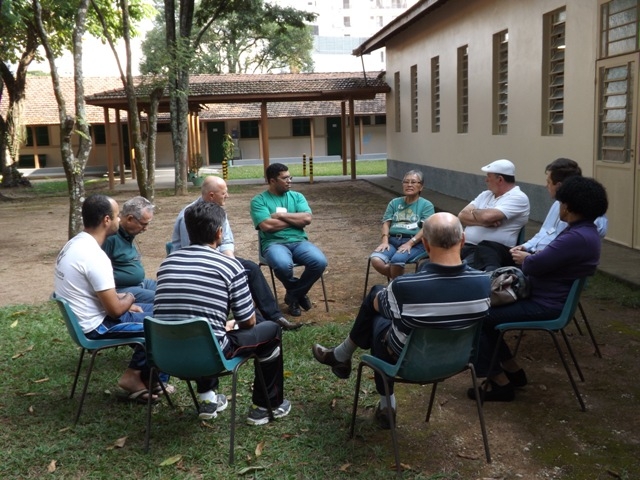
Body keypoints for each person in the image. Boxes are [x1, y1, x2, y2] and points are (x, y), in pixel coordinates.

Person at [312, 212, 491, 429]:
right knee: (384, 303)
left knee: (376, 305)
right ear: (462, 240)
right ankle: (341, 356)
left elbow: (378, 306)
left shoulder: (406, 286)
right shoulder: (484, 282)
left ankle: (382, 399)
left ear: (425, 245)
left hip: (408, 362)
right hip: (457, 361)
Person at [468, 176, 608, 402]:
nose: (559, 208)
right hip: (547, 298)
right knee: (487, 316)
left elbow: (534, 266)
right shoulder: (584, 232)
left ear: (569, 207)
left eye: (561, 203)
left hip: (545, 304)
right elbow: (548, 259)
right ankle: (512, 371)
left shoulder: (575, 237)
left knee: (479, 315)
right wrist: (532, 257)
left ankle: (500, 382)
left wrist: (527, 258)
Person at [155, 201, 291, 425]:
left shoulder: (167, 264)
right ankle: (267, 406)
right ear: (220, 232)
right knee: (271, 330)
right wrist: (232, 324)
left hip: (165, 356)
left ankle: (207, 398)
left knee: (201, 329)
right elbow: (248, 322)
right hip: (210, 356)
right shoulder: (230, 266)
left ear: (188, 230)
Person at [54, 194, 156, 403]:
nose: (120, 220)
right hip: (98, 326)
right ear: (106, 220)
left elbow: (95, 293)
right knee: (163, 323)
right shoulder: (94, 255)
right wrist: (129, 297)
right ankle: (135, 377)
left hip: (89, 317)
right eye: (117, 216)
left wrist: (125, 302)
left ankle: (150, 379)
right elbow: (115, 311)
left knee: (161, 311)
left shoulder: (73, 244)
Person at [172, 176, 301, 330]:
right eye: (224, 193)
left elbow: (226, 240)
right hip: (194, 263)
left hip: (217, 256)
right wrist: (227, 267)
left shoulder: (218, 211)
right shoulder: (190, 216)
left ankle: (275, 317)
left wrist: (231, 262)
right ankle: (254, 319)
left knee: (251, 268)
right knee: (232, 277)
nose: (228, 196)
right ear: (212, 195)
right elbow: (192, 250)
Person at [250, 163, 328, 317]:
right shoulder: (259, 201)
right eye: (285, 178)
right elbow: (267, 226)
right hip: (273, 243)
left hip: (299, 242)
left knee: (319, 262)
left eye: (290, 177)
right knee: (282, 265)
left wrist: (280, 216)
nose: (289, 181)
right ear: (272, 181)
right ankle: (298, 295)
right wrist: (295, 221)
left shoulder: (297, 197)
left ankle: (293, 295)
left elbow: (307, 218)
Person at [510, 158, 608, 264]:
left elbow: (563, 254)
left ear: (560, 186)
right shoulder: (558, 204)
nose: (546, 186)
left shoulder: (586, 218)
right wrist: (526, 246)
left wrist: (529, 259)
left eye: (549, 182)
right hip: (538, 257)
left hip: (546, 262)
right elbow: (544, 232)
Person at [458, 159, 530, 271]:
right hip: (465, 246)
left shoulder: (518, 197)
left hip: (491, 252)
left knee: (457, 270)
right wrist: (483, 222)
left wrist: (475, 212)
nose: (486, 180)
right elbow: (462, 216)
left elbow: (487, 217)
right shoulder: (486, 194)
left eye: (489, 176)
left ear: (500, 179)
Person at [370, 170, 435, 279]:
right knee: (376, 259)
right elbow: (386, 223)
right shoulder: (394, 202)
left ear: (421, 187)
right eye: (406, 182)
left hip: (416, 243)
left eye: (413, 182)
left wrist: (410, 243)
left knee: (397, 260)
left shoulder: (426, 205)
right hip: (393, 241)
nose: (409, 185)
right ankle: (400, 282)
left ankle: (397, 284)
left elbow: (426, 229)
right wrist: (385, 241)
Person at [102, 196, 157, 304]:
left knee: (170, 290)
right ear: (130, 219)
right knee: (164, 299)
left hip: (141, 283)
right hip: (123, 290)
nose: (146, 228)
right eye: (143, 224)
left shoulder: (128, 234)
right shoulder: (111, 239)